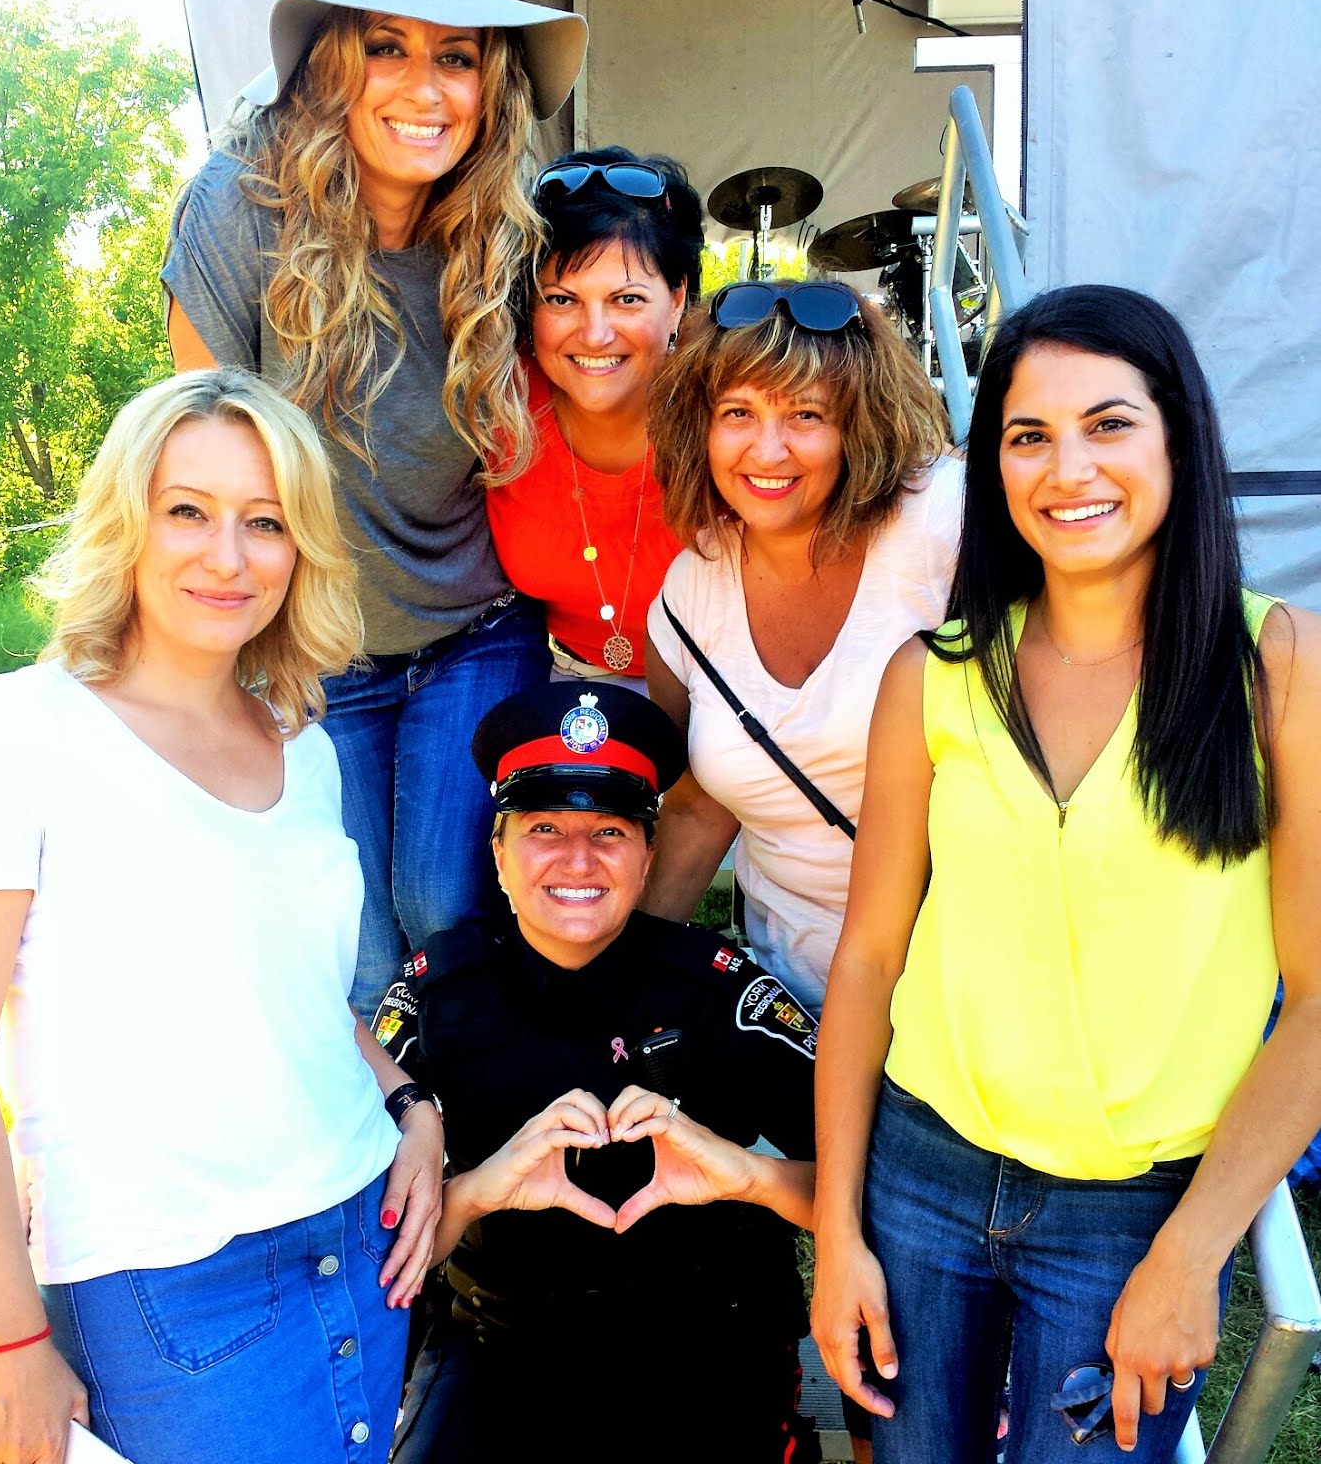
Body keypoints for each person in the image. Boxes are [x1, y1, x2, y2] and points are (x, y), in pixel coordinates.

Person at [811, 286, 1321, 1464]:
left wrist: (1195, 1251)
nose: (1066, 467)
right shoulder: (932, 677)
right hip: (921, 1173)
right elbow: (871, 959)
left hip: (1128, 1212)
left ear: (1176, 441)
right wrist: (837, 1226)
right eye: (1026, 435)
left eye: (1108, 424)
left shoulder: (1276, 669)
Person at [0, 370, 445, 1464]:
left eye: (264, 522)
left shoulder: (304, 748)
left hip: (363, 1236)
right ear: (126, 519)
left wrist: (414, 1107)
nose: (228, 557)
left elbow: (308, 1000)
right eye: (189, 510)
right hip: (170, 1288)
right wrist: (9, 1339)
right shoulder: (12, 734)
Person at [161, 0, 589, 1017]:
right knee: (354, 949)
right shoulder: (237, 213)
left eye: (455, 57)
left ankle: (476, 1153)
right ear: (330, 67)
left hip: (471, 629)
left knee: (445, 907)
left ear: (489, 82)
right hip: (312, 651)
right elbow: (193, 460)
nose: (424, 87)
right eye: (386, 48)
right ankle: (395, 1166)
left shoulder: (510, 232)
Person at [371, 682, 824, 1464]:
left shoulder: (718, 992)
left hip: (707, 1339)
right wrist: (481, 1188)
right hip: (503, 1340)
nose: (576, 860)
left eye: (609, 831)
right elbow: (368, 1249)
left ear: (648, 856)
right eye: (543, 827)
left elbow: (873, 1202)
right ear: (498, 855)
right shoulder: (431, 998)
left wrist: (744, 1177)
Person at [641, 280, 959, 1015]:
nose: (768, 448)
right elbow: (696, 808)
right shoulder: (690, 592)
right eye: (737, 413)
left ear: (858, 424)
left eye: (805, 415)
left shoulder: (942, 524)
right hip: (794, 995)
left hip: (958, 993)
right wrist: (617, 981)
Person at [485, 148, 704, 686]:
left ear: (676, 300)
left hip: (719, 694)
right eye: (562, 300)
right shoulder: (497, 401)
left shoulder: (724, 408)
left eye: (627, 299)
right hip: (557, 679)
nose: (596, 333)